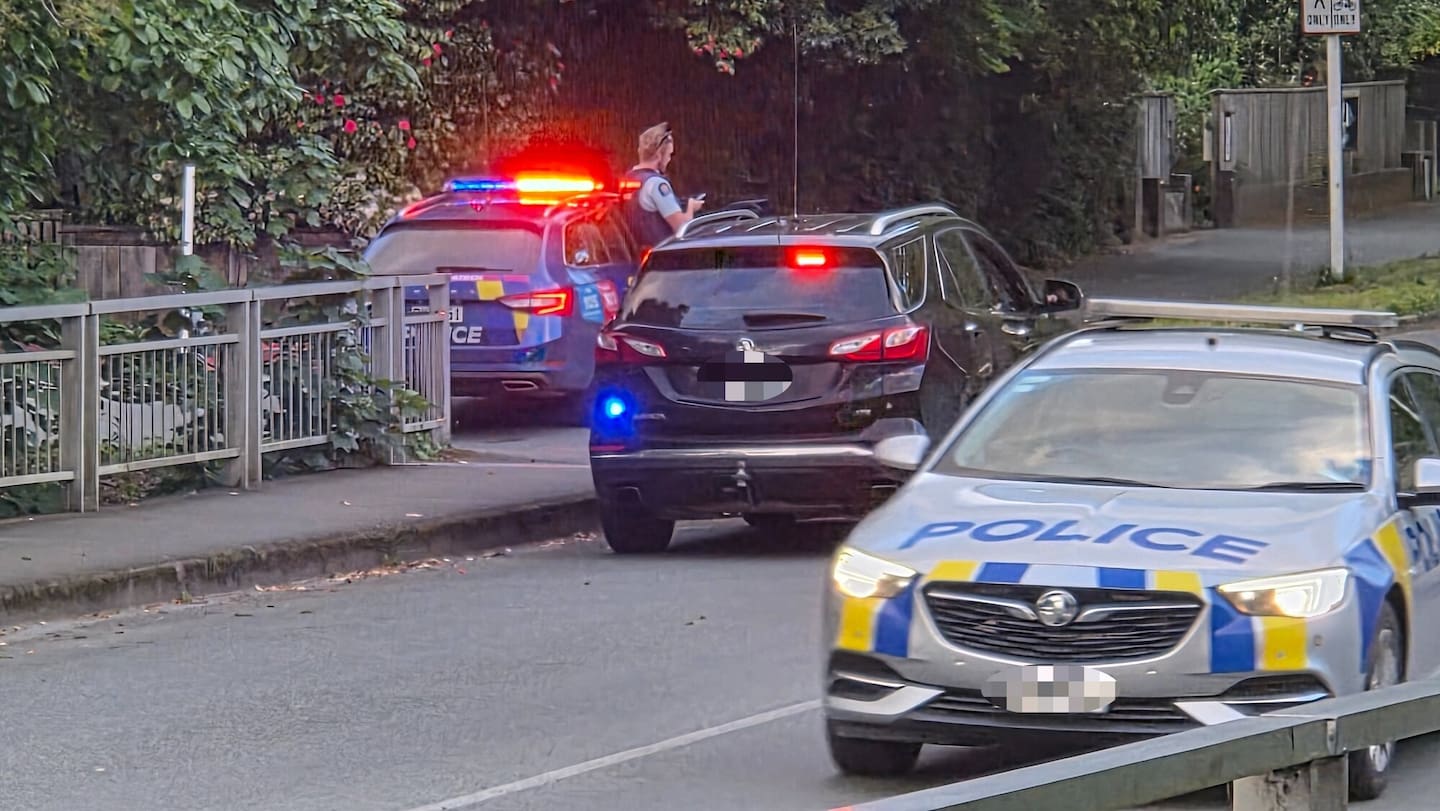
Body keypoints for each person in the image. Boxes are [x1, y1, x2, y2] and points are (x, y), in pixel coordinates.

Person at [620, 122, 704, 251]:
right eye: (669, 154)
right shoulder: (657, 184)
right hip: (659, 256)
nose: (669, 159)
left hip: (634, 254)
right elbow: (682, 227)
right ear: (659, 155)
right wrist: (691, 207)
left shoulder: (628, 179)